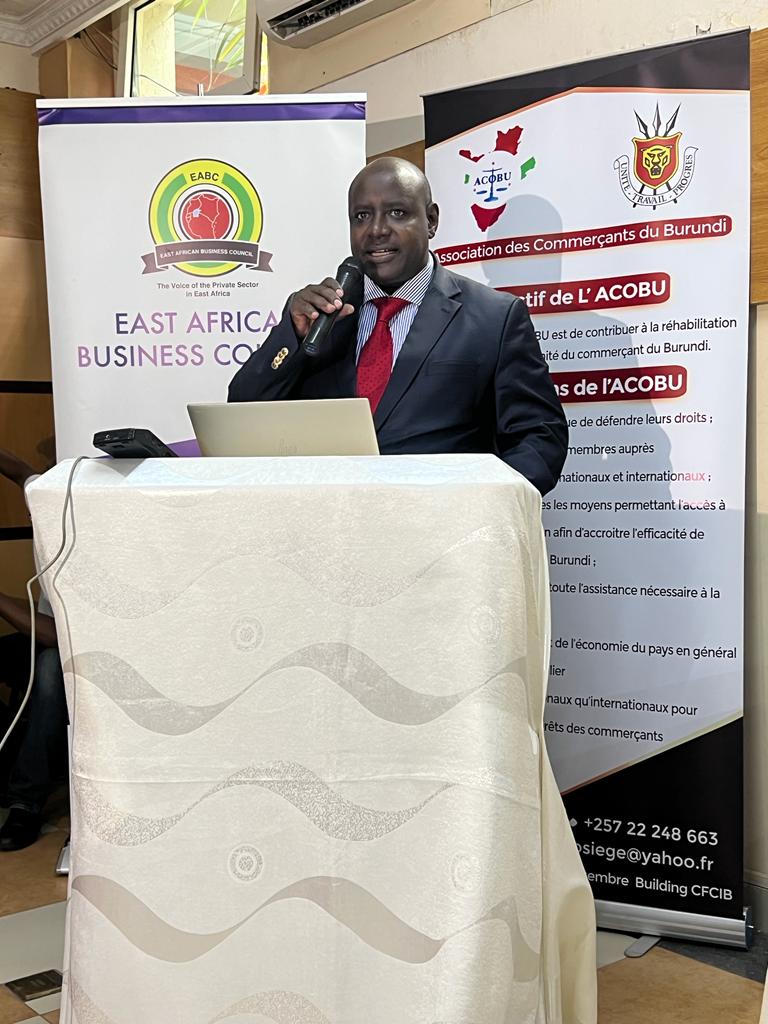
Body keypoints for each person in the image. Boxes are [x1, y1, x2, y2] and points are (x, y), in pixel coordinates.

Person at [228, 157, 567, 495]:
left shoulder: (495, 317)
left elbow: (539, 435)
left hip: (443, 522)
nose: (377, 230)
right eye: (362, 216)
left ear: (431, 220)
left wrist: (483, 504)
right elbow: (242, 416)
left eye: (397, 212)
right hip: (329, 519)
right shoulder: (321, 316)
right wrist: (292, 334)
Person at [0, 448, 67, 852]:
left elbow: (55, 637)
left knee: (50, 669)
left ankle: (26, 802)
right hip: (45, 640)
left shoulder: (75, 546)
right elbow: (20, 469)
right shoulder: (47, 499)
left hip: (69, 649)